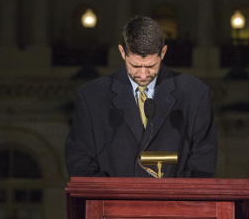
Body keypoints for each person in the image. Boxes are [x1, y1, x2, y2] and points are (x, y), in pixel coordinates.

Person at [65, 15, 217, 178]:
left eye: (151, 66)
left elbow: (203, 163)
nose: (143, 74)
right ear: (122, 52)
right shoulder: (91, 97)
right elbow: (79, 161)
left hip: (176, 203)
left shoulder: (195, 94)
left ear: (163, 52)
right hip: (112, 203)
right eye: (135, 66)